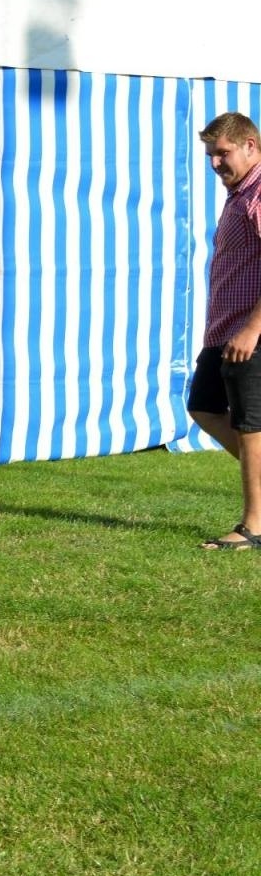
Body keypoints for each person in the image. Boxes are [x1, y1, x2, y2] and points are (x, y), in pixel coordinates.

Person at [189, 112, 261, 549]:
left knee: (251, 423)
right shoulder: (240, 193)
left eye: (223, 153)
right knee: (204, 405)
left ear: (250, 146)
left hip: (250, 333)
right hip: (223, 331)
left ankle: (254, 527)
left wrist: (252, 329)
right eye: (211, 156)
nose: (216, 163)